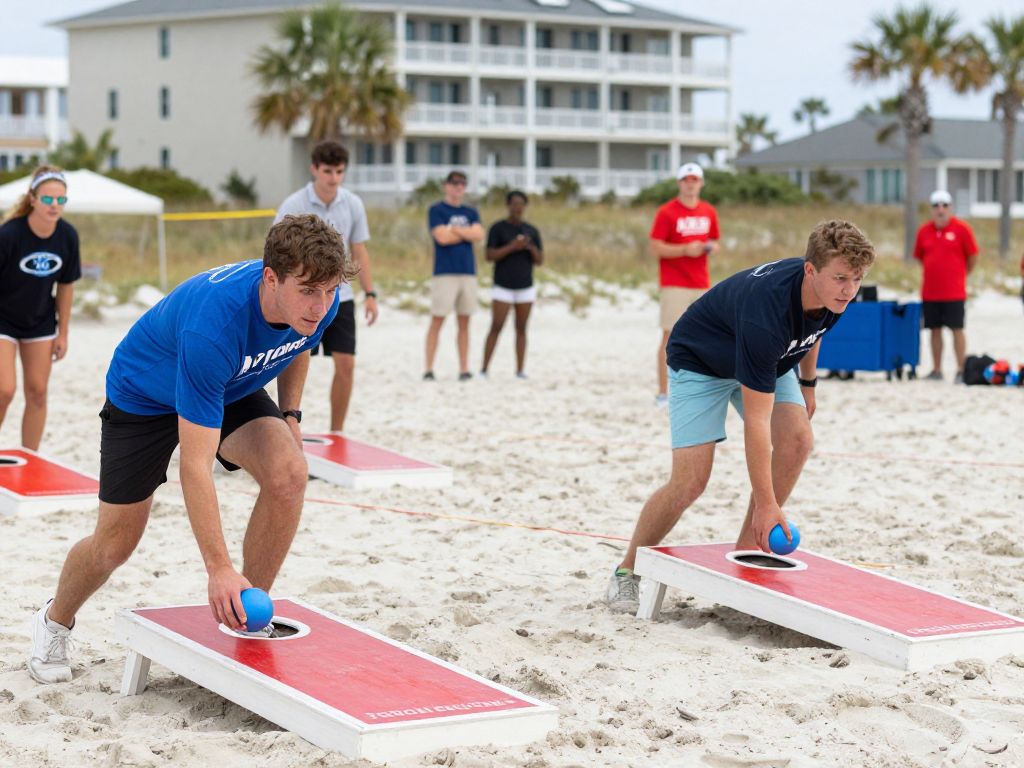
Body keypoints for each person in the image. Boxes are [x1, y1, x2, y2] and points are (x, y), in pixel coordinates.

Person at [28, 214, 354, 684]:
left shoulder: (317, 298)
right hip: (144, 397)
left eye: (328, 292)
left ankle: (245, 614)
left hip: (230, 383)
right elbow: (195, 466)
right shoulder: (213, 326)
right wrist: (217, 567)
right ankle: (54, 620)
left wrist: (290, 414)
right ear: (271, 278)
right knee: (114, 545)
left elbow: (297, 343)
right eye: (308, 291)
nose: (320, 305)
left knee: (289, 473)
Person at [605, 220, 876, 613]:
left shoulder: (834, 292)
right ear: (810, 270)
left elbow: (815, 331)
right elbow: (757, 425)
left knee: (799, 439)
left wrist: (809, 383)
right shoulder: (766, 313)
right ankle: (626, 571)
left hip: (767, 358)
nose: (849, 290)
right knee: (690, 482)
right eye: (841, 279)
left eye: (856, 279)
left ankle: (745, 555)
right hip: (700, 361)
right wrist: (768, 505)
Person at [275, 141, 377, 432]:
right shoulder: (294, 205)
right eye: (328, 171)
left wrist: (370, 294)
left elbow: (359, 250)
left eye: (340, 171)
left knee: (346, 364)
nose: (334, 178)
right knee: (287, 362)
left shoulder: (353, 204)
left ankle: (337, 432)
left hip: (339, 296)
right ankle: (284, 426)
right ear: (314, 169)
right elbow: (276, 255)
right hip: (301, 297)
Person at [0, 165, 81, 450]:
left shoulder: (68, 236)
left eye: (61, 200)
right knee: (4, 390)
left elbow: (66, 286)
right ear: (33, 199)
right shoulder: (9, 234)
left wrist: (63, 333)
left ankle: (30, 459)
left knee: (37, 393)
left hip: (40, 322)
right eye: (48, 199)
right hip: (3, 321)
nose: (54, 205)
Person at [649, 162, 720, 407]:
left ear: (701, 183)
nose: (690, 184)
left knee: (706, 336)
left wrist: (708, 247)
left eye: (695, 180)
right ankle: (662, 392)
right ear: (680, 183)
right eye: (686, 180)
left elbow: (715, 240)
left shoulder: (709, 211)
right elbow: (656, 246)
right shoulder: (667, 212)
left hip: (701, 281)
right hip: (674, 282)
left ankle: (701, 389)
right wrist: (684, 250)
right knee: (669, 335)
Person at [913, 190, 979, 384]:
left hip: (954, 292)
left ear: (950, 207)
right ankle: (936, 369)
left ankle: (960, 369)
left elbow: (973, 256)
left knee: (957, 329)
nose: (940, 209)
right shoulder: (924, 231)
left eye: (944, 205)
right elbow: (919, 257)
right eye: (936, 205)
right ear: (931, 209)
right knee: (934, 330)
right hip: (930, 292)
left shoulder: (962, 229)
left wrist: (961, 274)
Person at [424, 171, 484, 381]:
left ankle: (464, 368)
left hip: (468, 272)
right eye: (455, 183)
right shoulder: (437, 210)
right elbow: (441, 237)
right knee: (437, 319)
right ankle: (429, 368)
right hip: (445, 272)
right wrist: (464, 232)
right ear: (446, 185)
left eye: (462, 183)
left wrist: (455, 230)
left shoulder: (471, 211)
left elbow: (478, 234)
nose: (459, 187)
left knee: (465, 321)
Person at [480, 190, 544, 379]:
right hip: (503, 285)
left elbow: (540, 260)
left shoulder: (532, 231)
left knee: (521, 328)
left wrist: (530, 247)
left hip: (525, 285)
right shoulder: (498, 229)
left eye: (521, 204)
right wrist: (512, 247)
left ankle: (520, 370)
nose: (517, 208)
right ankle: (484, 369)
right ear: (508, 205)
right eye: (514, 204)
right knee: (496, 326)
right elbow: (489, 256)